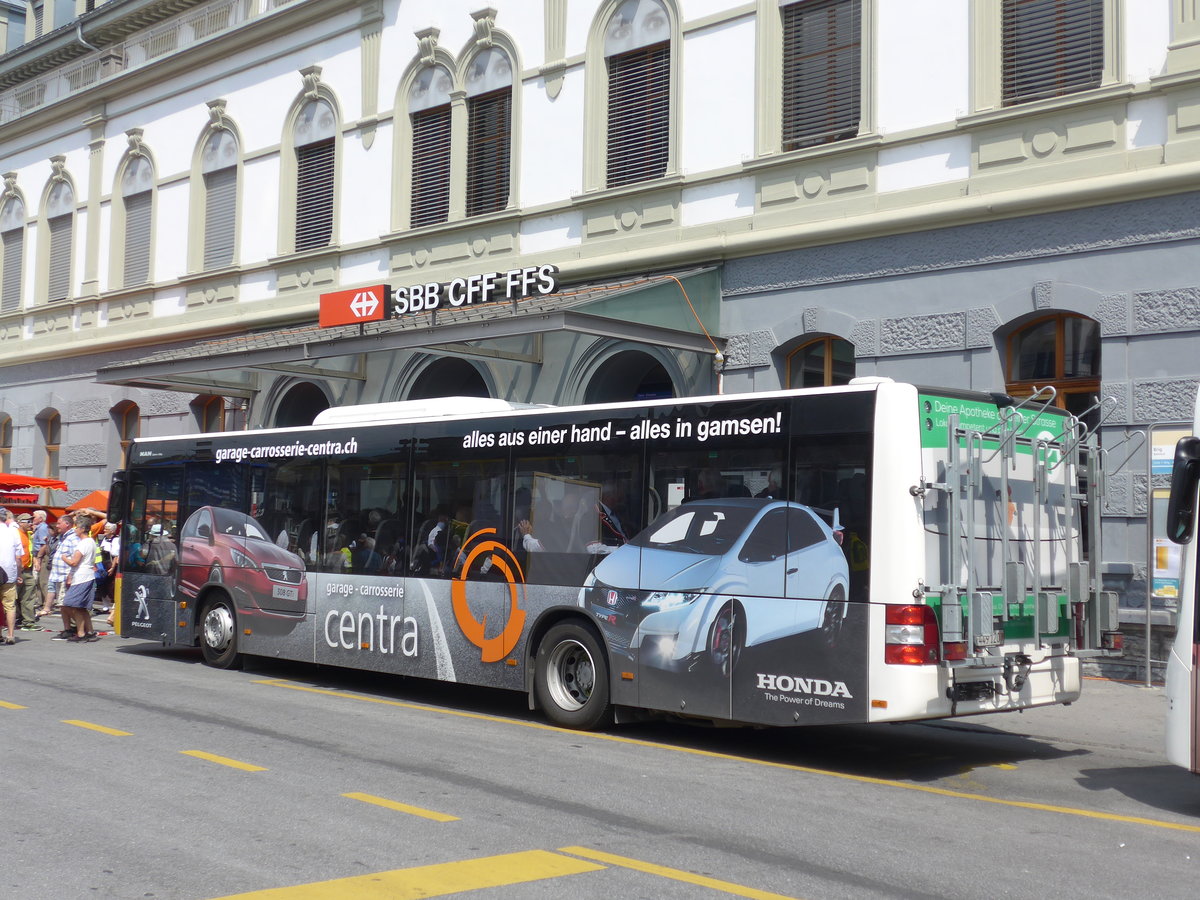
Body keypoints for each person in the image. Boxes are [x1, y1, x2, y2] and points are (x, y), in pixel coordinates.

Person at [57, 516, 99, 642]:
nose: (75, 529)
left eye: (77, 527)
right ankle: (90, 631)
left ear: (82, 529)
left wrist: (64, 557)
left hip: (82, 577)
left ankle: (81, 633)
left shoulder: (83, 543)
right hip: (87, 576)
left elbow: (74, 562)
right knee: (81, 607)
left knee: (72, 605)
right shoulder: (91, 541)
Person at [45, 514, 76, 632]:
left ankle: (72, 628)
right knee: (62, 605)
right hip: (58, 575)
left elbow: (75, 558)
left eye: (59, 523)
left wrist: (70, 575)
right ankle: (67, 628)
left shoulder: (73, 537)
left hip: (65, 575)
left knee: (66, 604)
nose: (57, 526)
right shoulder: (63, 537)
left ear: (67, 524)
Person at [0, 509, 22, 644]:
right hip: (9, 573)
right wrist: (19, 574)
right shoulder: (13, 532)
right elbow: (19, 557)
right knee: (9, 605)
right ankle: (10, 634)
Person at [15, 513, 37, 630]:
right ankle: (14, 618)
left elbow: (30, 550)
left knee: (28, 595)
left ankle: (28, 621)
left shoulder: (28, 534)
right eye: (27, 521)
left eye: (31, 521)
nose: (30, 523)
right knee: (13, 597)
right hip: (17, 570)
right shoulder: (15, 534)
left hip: (28, 570)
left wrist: (36, 561)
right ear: (19, 522)